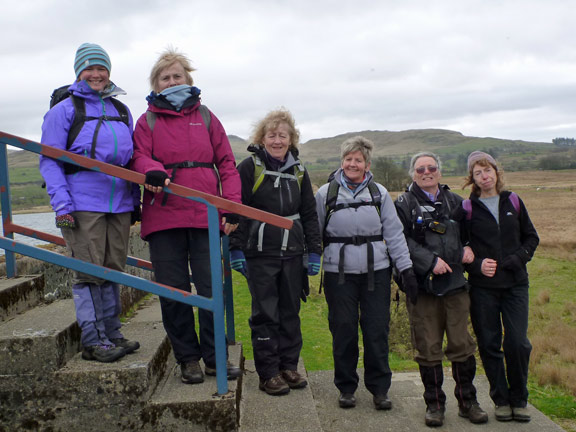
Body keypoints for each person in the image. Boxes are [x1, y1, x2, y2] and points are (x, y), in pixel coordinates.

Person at [131, 48, 242, 384]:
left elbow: (226, 164)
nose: (172, 81)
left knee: (212, 289)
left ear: (187, 79)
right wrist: (151, 169)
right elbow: (138, 157)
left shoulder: (207, 116)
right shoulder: (146, 120)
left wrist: (231, 207)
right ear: (156, 84)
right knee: (173, 290)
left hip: (206, 215)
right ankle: (188, 359)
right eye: (165, 77)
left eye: (177, 75)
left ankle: (214, 356)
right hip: (164, 216)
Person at [39, 43, 141, 363]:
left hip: (119, 203)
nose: (96, 74)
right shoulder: (64, 110)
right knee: (88, 273)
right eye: (89, 68)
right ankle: (93, 339)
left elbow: (132, 160)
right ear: (78, 72)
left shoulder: (122, 110)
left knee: (113, 269)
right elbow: (50, 162)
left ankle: (112, 332)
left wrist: (135, 200)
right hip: (82, 204)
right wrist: (63, 206)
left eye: (102, 68)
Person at [315, 136, 417, 410]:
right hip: (339, 273)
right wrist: (308, 263)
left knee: (376, 331)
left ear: (367, 164)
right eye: (348, 159)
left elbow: (394, 234)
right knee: (344, 329)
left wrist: (405, 269)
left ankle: (380, 389)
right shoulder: (326, 194)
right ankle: (346, 387)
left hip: (377, 272)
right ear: (342, 162)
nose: (352, 163)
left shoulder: (379, 193)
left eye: (358, 160)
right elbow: (314, 234)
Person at [228, 109, 322, 396]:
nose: (277, 140)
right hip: (260, 253)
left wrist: (314, 251)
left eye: (283, 135)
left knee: (290, 311)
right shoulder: (249, 167)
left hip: (293, 253)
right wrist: (236, 249)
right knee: (265, 313)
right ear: (262, 137)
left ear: (291, 139)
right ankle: (268, 372)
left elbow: (308, 213)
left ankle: (289, 366)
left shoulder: (299, 170)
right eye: (272, 135)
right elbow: (237, 208)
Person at [394, 152, 488, 427]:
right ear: (413, 174)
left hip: (457, 286)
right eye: (420, 169)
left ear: (439, 172)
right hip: (422, 288)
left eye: (431, 167)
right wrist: (429, 261)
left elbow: (471, 235)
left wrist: (470, 248)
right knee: (428, 347)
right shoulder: (403, 203)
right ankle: (434, 405)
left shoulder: (456, 202)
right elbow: (398, 240)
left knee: (462, 345)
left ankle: (468, 401)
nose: (426, 172)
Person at [462, 151, 539, 423]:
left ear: (496, 172)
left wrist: (517, 259)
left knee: (517, 342)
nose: (484, 176)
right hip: (483, 287)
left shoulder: (513, 201)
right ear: (472, 178)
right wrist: (476, 264)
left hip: (516, 284)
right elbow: (462, 249)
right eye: (478, 172)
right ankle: (501, 399)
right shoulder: (467, 208)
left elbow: (531, 237)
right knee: (489, 343)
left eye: (487, 170)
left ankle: (520, 399)